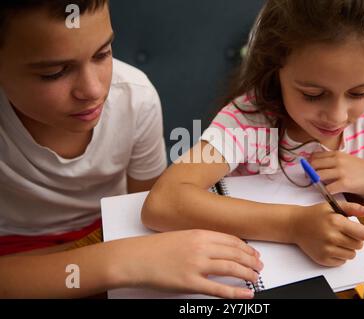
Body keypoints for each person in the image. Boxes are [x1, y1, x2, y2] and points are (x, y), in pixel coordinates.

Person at [142, 0, 364, 268]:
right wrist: (293, 225)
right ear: (275, 69)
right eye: (313, 94)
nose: (337, 116)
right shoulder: (247, 122)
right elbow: (165, 201)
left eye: (359, 92)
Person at [0, 0, 261, 299]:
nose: (93, 90)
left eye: (103, 54)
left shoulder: (136, 98)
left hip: (109, 233)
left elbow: (146, 214)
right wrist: (116, 261)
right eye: (54, 72)